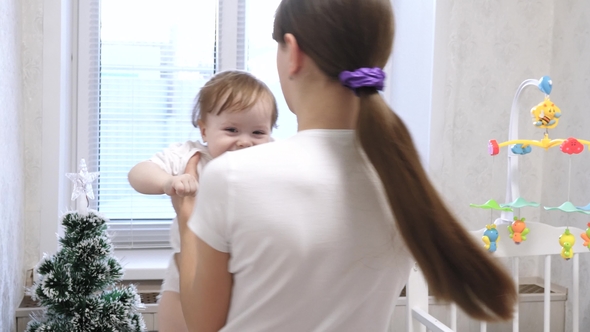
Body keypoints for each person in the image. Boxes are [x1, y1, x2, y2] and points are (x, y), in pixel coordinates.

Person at [173, 0, 518, 331]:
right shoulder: (401, 180)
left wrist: (188, 217)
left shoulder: (233, 176)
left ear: (293, 53)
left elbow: (204, 325)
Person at [127, 70, 278, 332]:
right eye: (231, 130)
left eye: (258, 132)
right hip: (189, 273)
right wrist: (167, 182)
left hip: (247, 277)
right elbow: (137, 173)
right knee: (177, 319)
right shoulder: (192, 156)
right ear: (205, 130)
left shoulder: (272, 160)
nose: (244, 142)